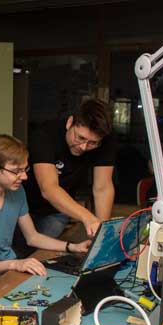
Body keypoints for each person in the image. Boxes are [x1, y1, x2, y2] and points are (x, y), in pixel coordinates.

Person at [0, 135, 91, 277]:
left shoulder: (17, 191)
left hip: (10, 265)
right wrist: (15, 264)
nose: (24, 177)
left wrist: (72, 247)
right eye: (17, 171)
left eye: (25, 169)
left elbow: (32, 237)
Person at [24, 98, 116, 239]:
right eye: (80, 138)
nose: (83, 147)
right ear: (70, 123)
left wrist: (101, 233)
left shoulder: (105, 142)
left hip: (58, 210)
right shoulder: (45, 135)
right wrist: (88, 217)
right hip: (24, 206)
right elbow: (48, 188)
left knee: (45, 251)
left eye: (92, 143)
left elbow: (103, 188)